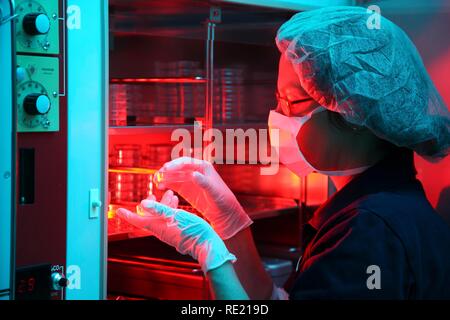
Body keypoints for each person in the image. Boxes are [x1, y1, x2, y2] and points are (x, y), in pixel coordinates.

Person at [117, 6, 450, 299]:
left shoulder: (370, 232)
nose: (278, 117)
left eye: (293, 102)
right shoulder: (389, 204)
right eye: (277, 101)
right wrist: (230, 225)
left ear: (356, 115)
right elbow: (273, 299)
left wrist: (211, 256)